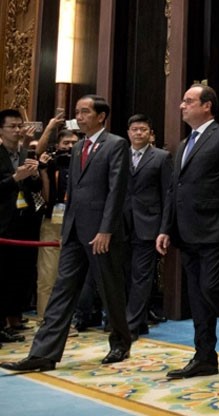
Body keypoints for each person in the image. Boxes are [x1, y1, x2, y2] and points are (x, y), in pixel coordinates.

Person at [1, 95, 132, 371]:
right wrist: (67, 227)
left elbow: (116, 191)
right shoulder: (79, 146)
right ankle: (43, 353)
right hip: (73, 231)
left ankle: (121, 341)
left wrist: (106, 229)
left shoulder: (116, 144)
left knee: (110, 290)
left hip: (101, 233)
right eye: (77, 112)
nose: (79, 117)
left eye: (85, 112)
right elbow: (72, 192)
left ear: (101, 116)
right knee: (62, 291)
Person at [156, 84, 219, 379]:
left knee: (212, 286)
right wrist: (165, 228)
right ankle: (204, 357)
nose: (182, 106)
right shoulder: (184, 144)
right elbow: (174, 190)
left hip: (215, 227)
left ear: (207, 106)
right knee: (198, 296)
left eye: (188, 101)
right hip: (185, 230)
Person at [123, 114, 172, 340]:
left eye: (143, 129)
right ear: (128, 133)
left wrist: (164, 229)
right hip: (122, 224)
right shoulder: (120, 155)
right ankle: (139, 321)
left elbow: (167, 195)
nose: (138, 133)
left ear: (150, 133)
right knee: (125, 274)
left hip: (149, 224)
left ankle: (131, 326)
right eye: (134, 129)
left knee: (141, 276)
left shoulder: (161, 157)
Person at [0, 109, 41, 344]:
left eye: (19, 126)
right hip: (3, 224)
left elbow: (35, 189)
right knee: (2, 274)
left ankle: (14, 318)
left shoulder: (25, 153)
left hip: (25, 222)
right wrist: (15, 178)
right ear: (1, 130)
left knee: (20, 273)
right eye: (12, 126)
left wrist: (33, 176)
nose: (17, 131)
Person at [35, 122, 79, 320]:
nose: (70, 147)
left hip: (77, 223)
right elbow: (38, 151)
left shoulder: (83, 163)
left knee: (70, 276)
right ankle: (46, 318)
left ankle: (68, 318)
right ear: (58, 144)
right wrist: (51, 126)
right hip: (52, 221)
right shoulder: (51, 162)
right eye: (66, 143)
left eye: (74, 143)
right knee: (48, 274)